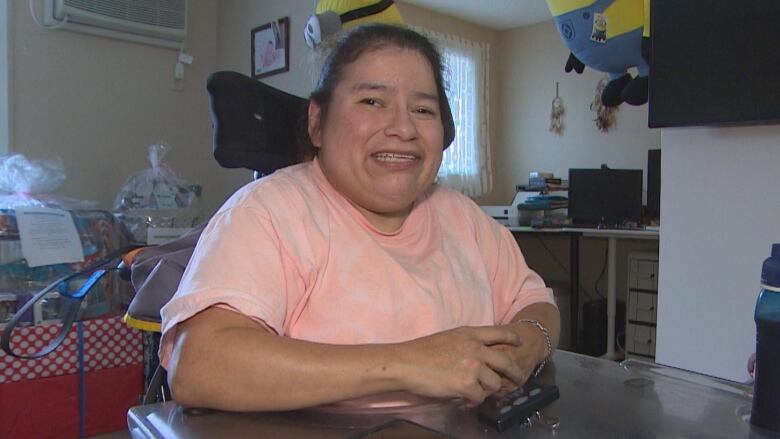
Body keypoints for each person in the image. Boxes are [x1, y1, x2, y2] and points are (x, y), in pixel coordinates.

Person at [160, 24, 560, 412]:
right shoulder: (268, 213)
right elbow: (199, 366)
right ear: (317, 121)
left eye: (423, 109)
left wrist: (529, 344)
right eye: (372, 101)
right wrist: (410, 364)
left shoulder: (463, 218)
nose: (404, 128)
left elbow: (535, 302)